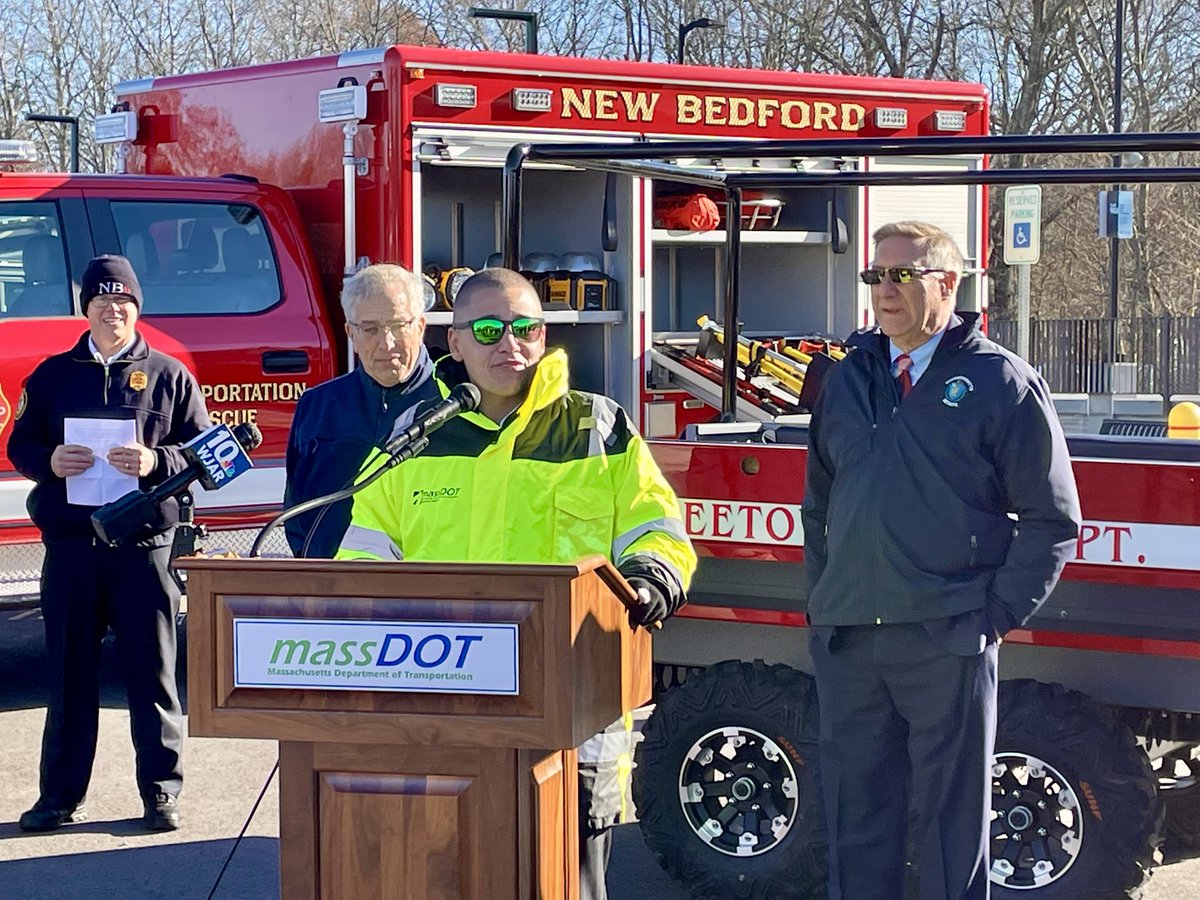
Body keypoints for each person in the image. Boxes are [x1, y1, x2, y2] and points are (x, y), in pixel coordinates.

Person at [337, 267, 696, 900]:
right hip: (445, 714)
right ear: (454, 342)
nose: (510, 343)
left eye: (525, 328)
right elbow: (366, 554)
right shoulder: (417, 435)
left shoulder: (596, 426)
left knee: (568, 885)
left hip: (572, 717)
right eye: (488, 330)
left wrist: (652, 577)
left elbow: (655, 526)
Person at [801, 221, 1081, 900]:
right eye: (875, 276)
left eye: (902, 275)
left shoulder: (999, 381)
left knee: (951, 836)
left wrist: (988, 619)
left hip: (946, 639)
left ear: (947, 284)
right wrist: (824, 603)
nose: (884, 290)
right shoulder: (846, 378)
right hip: (850, 643)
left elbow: (1051, 520)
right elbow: (819, 508)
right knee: (855, 827)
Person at [8, 254, 210, 832]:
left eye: (122, 301)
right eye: (102, 300)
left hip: (144, 551)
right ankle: (59, 798)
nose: (112, 310)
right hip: (72, 550)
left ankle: (161, 793)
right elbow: (20, 445)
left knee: (153, 677)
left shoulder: (170, 375)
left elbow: (206, 454)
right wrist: (48, 460)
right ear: (86, 309)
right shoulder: (52, 375)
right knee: (69, 679)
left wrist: (156, 461)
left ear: (136, 308)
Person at [283, 263, 439, 557]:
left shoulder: (452, 406)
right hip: (331, 580)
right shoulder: (318, 407)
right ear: (350, 333)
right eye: (370, 329)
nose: (387, 343)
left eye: (398, 326)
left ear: (420, 327)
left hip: (426, 582)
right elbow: (297, 510)